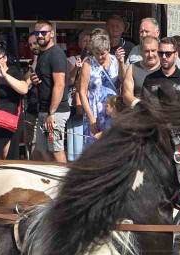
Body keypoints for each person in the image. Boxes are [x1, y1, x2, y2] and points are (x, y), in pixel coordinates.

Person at [31, 20, 71, 162]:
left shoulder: (56, 54)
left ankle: (65, 181)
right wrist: (37, 79)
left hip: (56, 111)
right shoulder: (43, 53)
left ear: (52, 33)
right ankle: (52, 181)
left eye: (43, 32)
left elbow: (60, 85)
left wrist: (52, 113)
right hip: (44, 109)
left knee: (56, 149)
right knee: (42, 149)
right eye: (37, 33)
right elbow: (48, 80)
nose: (40, 36)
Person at [77, 30, 121, 148]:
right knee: (93, 146)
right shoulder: (88, 63)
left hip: (112, 109)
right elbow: (82, 92)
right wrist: (91, 117)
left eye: (103, 53)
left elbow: (123, 81)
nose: (100, 57)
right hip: (94, 109)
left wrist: (121, 63)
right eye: (97, 53)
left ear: (108, 49)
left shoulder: (115, 61)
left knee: (112, 144)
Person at [142, 38, 180, 104]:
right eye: (161, 53)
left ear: (176, 54)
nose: (164, 57)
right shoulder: (150, 79)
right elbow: (143, 108)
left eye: (168, 53)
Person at [66, 32, 89, 161]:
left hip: (90, 100)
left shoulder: (94, 60)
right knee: (77, 131)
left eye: (90, 41)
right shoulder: (72, 59)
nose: (88, 43)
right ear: (79, 44)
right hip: (75, 101)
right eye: (84, 41)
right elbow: (70, 80)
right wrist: (76, 68)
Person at [122, 35, 159, 106]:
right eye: (147, 51)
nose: (150, 55)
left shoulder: (165, 68)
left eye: (153, 51)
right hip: (139, 112)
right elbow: (127, 95)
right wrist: (142, 106)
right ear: (141, 52)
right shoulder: (132, 68)